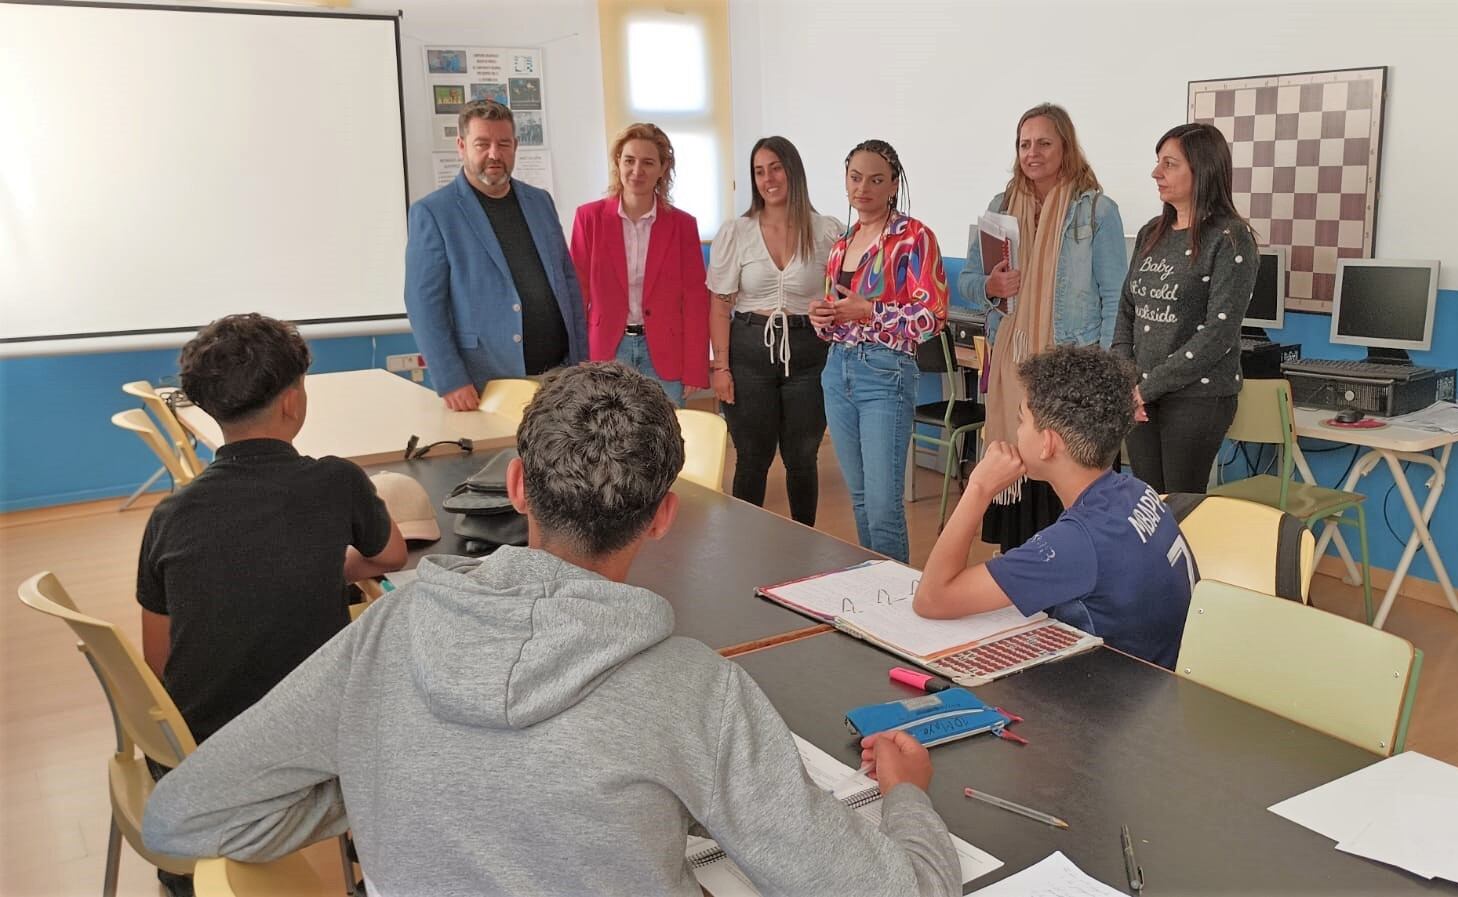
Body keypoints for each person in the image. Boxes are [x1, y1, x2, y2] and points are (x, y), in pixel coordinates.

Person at [142, 362, 962, 897]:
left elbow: (177, 815)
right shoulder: (696, 691)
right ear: (663, 516)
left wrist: (387, 770)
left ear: (516, 485)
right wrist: (906, 798)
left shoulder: (388, 634)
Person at [137, 313, 406, 895]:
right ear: (292, 401)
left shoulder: (170, 516)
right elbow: (391, 556)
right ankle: (375, 861)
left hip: (200, 757)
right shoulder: (336, 481)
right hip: (299, 754)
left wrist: (304, 570)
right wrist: (333, 566)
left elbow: (158, 661)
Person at [911, 344, 1195, 669]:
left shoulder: (1077, 543)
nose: (1016, 433)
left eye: (1022, 421)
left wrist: (978, 488)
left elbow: (931, 599)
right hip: (1164, 680)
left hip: (1118, 694)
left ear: (1047, 444)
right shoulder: (1136, 490)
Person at [959, 102, 1128, 552]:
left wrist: (1104, 374)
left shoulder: (1096, 212)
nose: (1032, 153)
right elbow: (969, 282)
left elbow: (1115, 298)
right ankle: (1022, 569)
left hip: (1070, 371)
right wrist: (991, 286)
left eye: (1044, 143)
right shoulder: (999, 210)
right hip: (1012, 370)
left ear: (1066, 147)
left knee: (1067, 480)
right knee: (1019, 471)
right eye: (1024, 144)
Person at [809, 140, 947, 563]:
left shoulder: (915, 237)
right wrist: (823, 317)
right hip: (838, 371)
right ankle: (873, 590)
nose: (862, 188)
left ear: (893, 185)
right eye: (855, 178)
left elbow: (933, 316)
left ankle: (896, 598)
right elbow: (837, 316)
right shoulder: (841, 243)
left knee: (884, 506)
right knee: (860, 499)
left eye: (875, 179)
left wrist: (871, 311)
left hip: (885, 374)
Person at [404, 99, 587, 411]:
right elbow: (423, 304)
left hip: (560, 378)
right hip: (484, 384)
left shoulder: (540, 202)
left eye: (503, 144)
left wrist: (582, 362)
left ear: (515, 146)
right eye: (482, 144)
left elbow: (568, 284)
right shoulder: (434, 213)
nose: (494, 154)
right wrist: (451, 379)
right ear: (461, 146)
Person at [1112, 122, 1260, 493]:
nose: (1156, 173)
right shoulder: (1151, 232)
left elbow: (1218, 333)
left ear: (1202, 170)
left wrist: (1145, 389)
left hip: (1196, 397)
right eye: (1158, 162)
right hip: (1140, 393)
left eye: (1170, 164)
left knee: (1181, 507)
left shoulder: (1231, 238)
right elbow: (1127, 309)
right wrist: (1126, 380)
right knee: (1148, 503)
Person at [707, 137, 842, 523]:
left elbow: (842, 295)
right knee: (752, 457)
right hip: (749, 351)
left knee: (802, 457)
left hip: (809, 353)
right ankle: (747, 544)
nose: (768, 179)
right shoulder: (737, 231)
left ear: (793, 170)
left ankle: (804, 545)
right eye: (759, 171)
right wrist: (721, 367)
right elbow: (719, 306)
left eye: (776, 168)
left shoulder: (827, 231)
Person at [571, 123, 709, 407]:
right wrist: (577, 358)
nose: (637, 171)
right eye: (629, 160)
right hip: (607, 351)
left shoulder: (682, 225)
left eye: (648, 162)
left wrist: (695, 366)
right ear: (617, 162)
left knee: (665, 431)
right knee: (607, 431)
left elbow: (695, 301)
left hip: (665, 353)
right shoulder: (589, 218)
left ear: (663, 168)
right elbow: (577, 294)